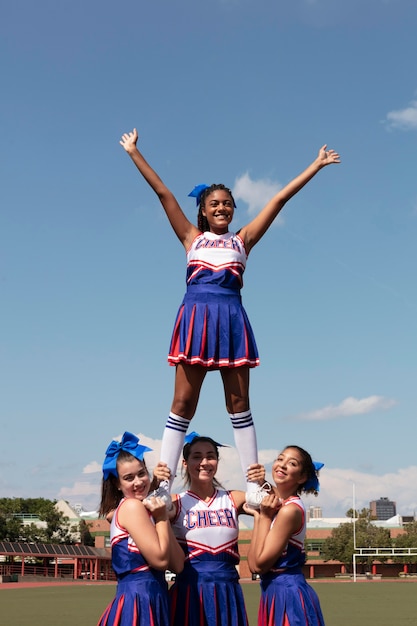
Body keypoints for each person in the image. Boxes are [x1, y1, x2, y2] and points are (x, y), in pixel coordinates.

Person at [120, 128, 340, 504]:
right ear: (204, 211)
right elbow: (163, 194)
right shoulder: (192, 238)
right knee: (183, 404)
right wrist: (134, 152)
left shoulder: (243, 240)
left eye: (227, 204)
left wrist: (316, 165)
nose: (222, 208)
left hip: (232, 320)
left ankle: (254, 484)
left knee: (238, 404)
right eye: (215, 204)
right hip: (196, 319)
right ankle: (163, 484)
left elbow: (280, 199)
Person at [153, 431, 268, 626]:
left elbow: (277, 505)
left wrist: (262, 483)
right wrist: (155, 484)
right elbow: (135, 511)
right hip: (189, 591)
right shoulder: (175, 502)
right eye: (197, 456)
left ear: (217, 462)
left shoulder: (234, 498)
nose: (204, 462)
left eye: (210, 456)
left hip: (227, 591)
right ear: (184, 463)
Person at [96, 431, 184, 626]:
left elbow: (177, 565)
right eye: (129, 478)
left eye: (141, 473)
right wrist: (161, 518)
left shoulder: (148, 511)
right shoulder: (131, 507)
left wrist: (162, 517)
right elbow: (160, 560)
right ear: (118, 484)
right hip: (137, 601)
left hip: (156, 598)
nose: (138, 482)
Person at [246, 445, 325, 625]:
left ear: (303, 477)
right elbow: (252, 563)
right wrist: (260, 513)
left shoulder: (290, 511)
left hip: (288, 593)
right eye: (280, 459)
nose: (282, 465)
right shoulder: (280, 504)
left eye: (292, 463)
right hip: (272, 591)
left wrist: (263, 517)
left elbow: (259, 566)